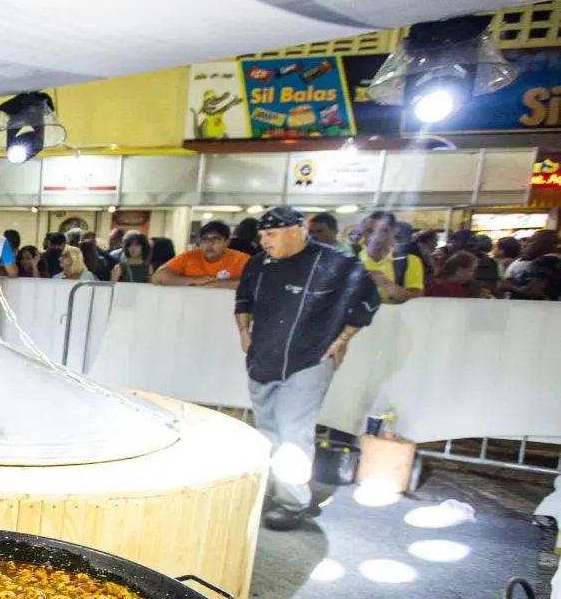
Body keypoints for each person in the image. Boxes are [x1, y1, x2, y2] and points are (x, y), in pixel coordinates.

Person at [235, 206, 380, 530]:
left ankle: (292, 502)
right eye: (261, 235)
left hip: (308, 361)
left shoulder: (337, 263)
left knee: (293, 434)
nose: (264, 242)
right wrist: (244, 332)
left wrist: (342, 340)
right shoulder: (257, 264)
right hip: (262, 359)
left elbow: (367, 305)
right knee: (267, 434)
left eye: (270, 234)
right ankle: (268, 493)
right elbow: (243, 300)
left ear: (295, 230)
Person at [153, 221, 250, 289]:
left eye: (216, 239)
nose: (210, 244)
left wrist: (216, 284)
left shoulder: (242, 259)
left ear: (227, 242)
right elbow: (158, 277)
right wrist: (196, 280)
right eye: (205, 239)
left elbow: (254, 283)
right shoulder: (189, 257)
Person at [356, 211, 424, 304]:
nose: (376, 237)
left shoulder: (408, 261)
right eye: (369, 231)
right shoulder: (350, 261)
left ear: (394, 231)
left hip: (395, 317)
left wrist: (386, 283)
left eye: (383, 230)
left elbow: (416, 300)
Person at [504, 229, 561, 301]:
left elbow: (533, 291)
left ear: (541, 244)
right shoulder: (556, 260)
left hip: (538, 308)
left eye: (531, 241)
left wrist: (509, 286)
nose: (526, 244)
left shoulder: (543, 262)